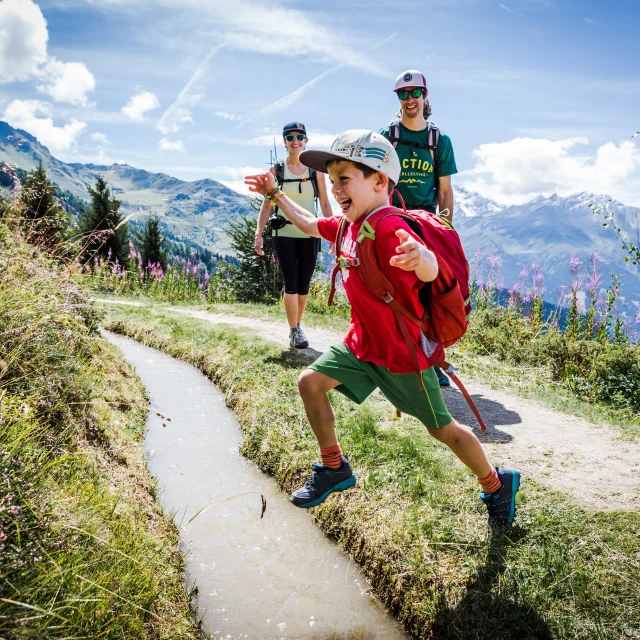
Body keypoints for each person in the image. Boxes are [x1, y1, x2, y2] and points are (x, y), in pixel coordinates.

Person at [245, 130, 520, 528]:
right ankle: (334, 467)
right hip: (362, 345)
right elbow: (307, 222)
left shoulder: (389, 227)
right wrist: (274, 196)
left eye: (345, 178)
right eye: (333, 179)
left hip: (403, 355)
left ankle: (496, 484)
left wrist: (423, 258)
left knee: (444, 430)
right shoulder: (348, 226)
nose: (336, 189)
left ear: (379, 181)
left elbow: (431, 272)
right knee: (310, 382)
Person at [380, 70, 456, 387]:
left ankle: (429, 361)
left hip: (426, 223)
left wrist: (446, 229)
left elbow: (445, 190)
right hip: (391, 220)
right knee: (392, 290)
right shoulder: (385, 137)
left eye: (415, 93)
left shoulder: (440, 141)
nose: (410, 100)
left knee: (427, 293)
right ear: (398, 99)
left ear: (425, 96)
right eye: (403, 94)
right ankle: (391, 357)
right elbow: (375, 180)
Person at [254, 122, 333, 349]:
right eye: (290, 137)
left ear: (306, 140)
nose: (295, 141)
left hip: (311, 233)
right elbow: (267, 206)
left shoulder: (315, 172)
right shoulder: (276, 171)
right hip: (283, 233)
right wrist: (259, 232)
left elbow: (326, 204)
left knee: (304, 284)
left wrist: (333, 235)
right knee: (291, 283)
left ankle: (297, 325)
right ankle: (294, 330)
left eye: (299, 137)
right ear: (285, 142)